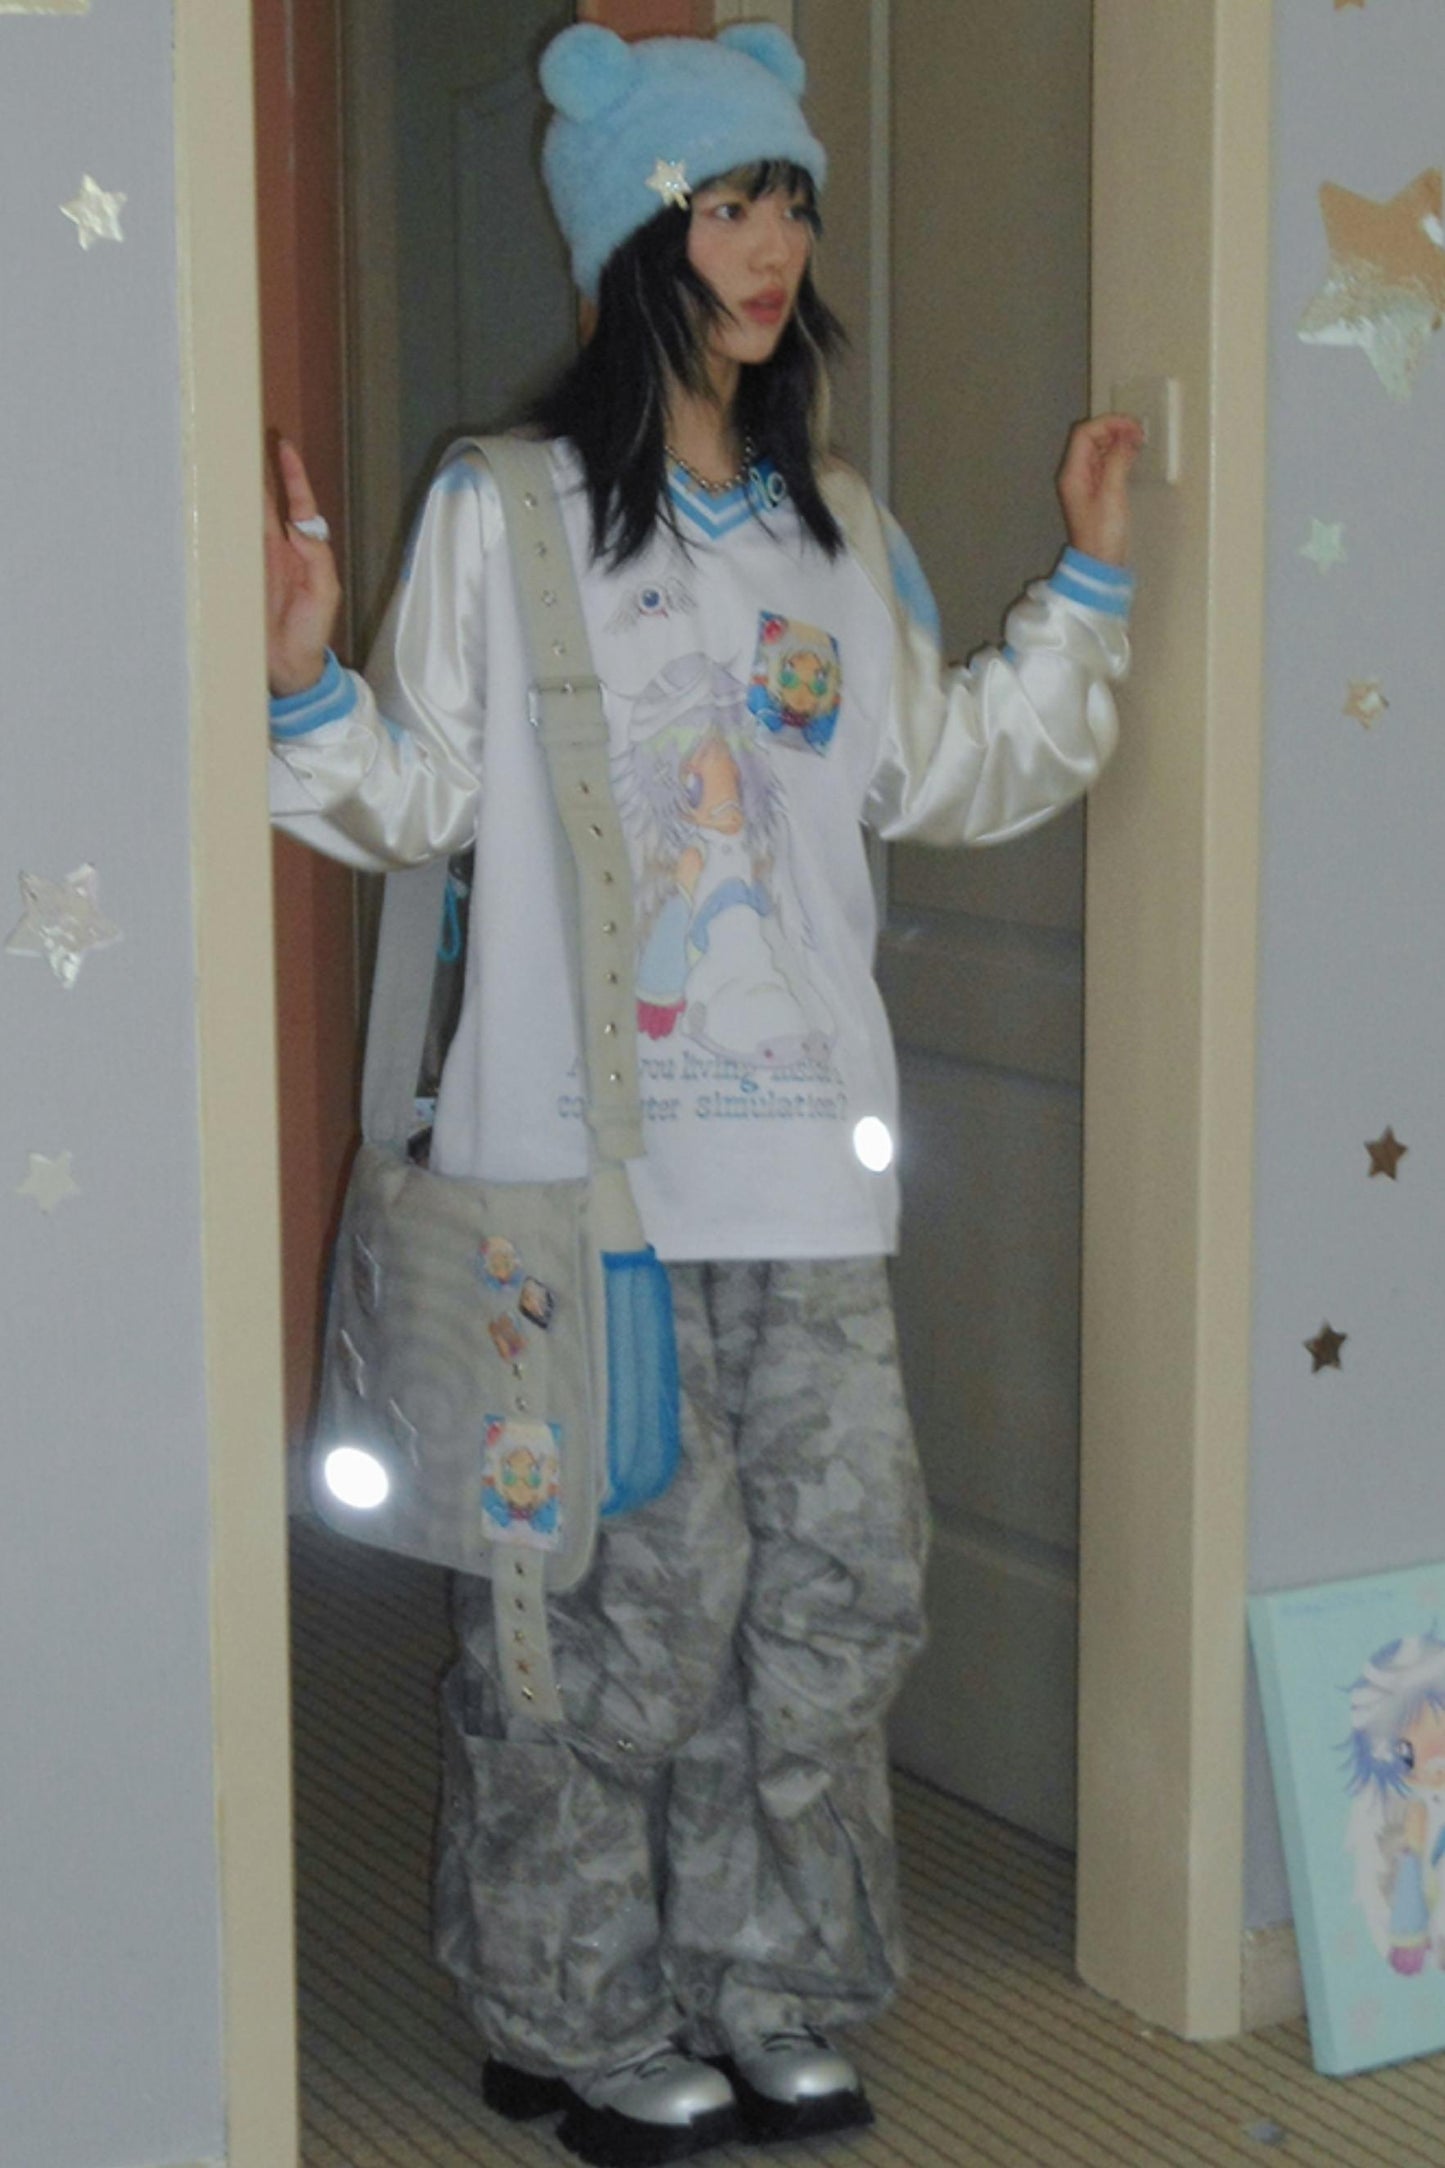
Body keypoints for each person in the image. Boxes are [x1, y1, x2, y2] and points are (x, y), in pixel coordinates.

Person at [265, 23, 1141, 2167]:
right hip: (584, 1202)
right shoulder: (502, 511)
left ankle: (776, 1988)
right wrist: (297, 681)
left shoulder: (839, 522)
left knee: (835, 1597)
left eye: (789, 205)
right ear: (632, 237)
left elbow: (947, 768)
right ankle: (572, 2012)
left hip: (812, 1192)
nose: (769, 246)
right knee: (602, 1628)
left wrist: (1089, 587)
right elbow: (417, 797)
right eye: (725, 203)